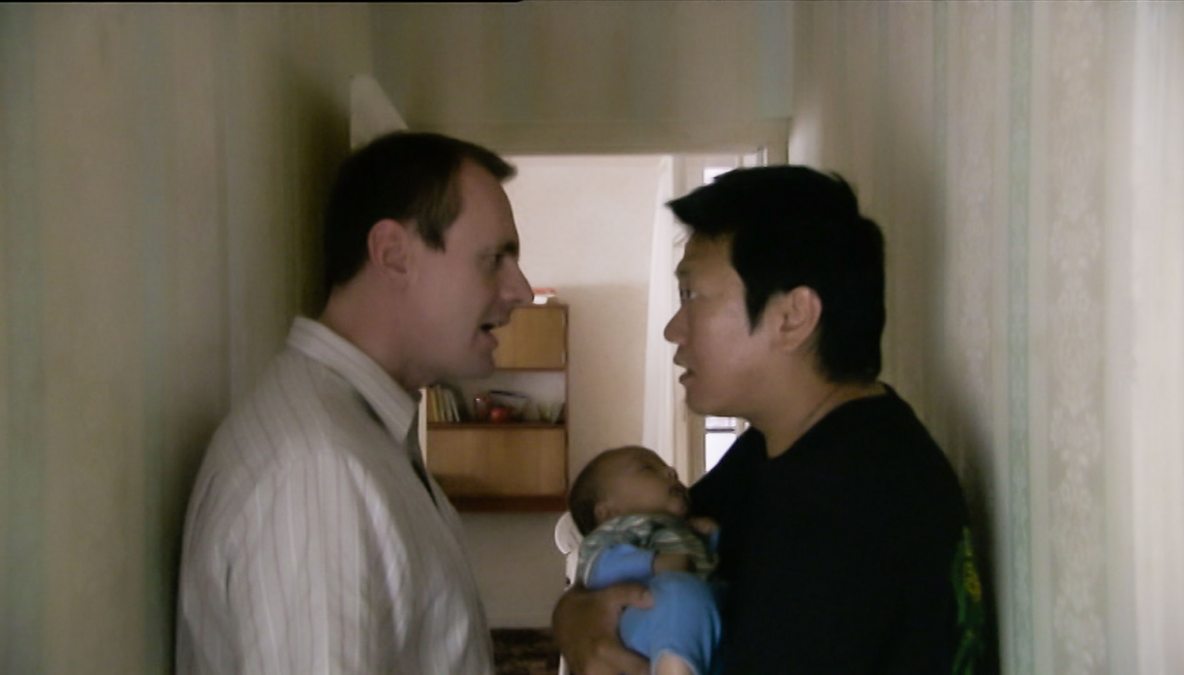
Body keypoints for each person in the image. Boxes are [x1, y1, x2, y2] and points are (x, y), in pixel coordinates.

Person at [554, 166, 985, 673]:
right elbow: (644, 538)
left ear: (792, 317)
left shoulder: (862, 502)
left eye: (691, 295)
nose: (673, 329)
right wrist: (573, 616)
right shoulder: (780, 446)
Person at [177, 131, 535, 673]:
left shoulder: (355, 437)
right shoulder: (316, 473)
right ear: (392, 255)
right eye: (494, 259)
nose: (521, 290)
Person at [568, 445, 722, 675]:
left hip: (698, 624)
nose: (671, 471)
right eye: (648, 469)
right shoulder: (616, 531)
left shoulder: (682, 528)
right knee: (679, 591)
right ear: (608, 512)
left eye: (666, 467)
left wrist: (710, 537)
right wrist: (653, 563)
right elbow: (599, 568)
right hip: (642, 619)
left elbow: (711, 564)